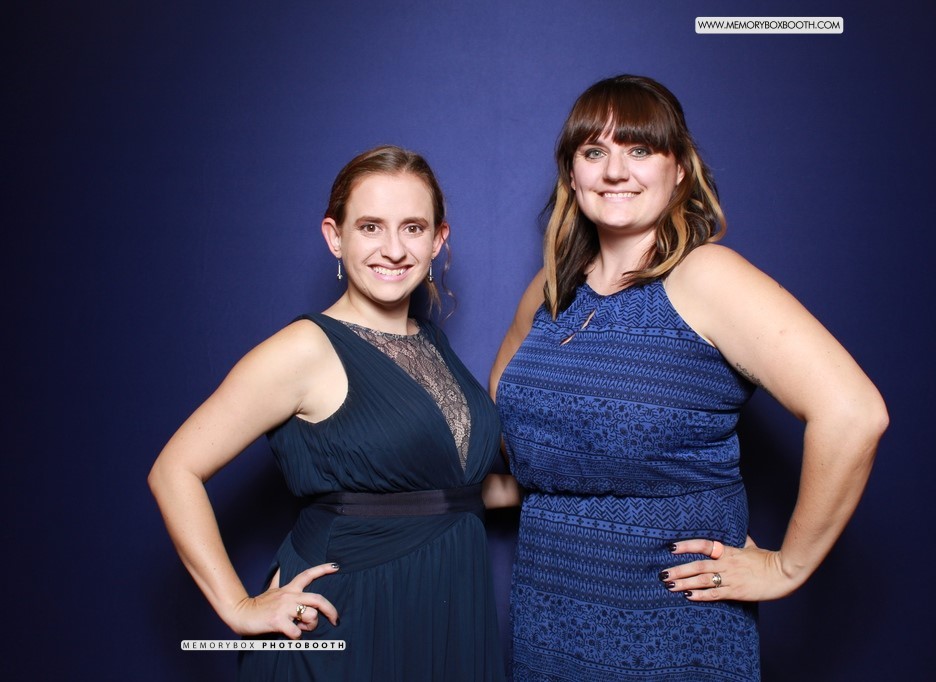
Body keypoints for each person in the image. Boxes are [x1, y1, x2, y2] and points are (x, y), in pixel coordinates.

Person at [490, 75, 889, 680]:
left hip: (670, 626)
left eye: (640, 149)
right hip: (548, 615)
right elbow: (507, 405)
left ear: (679, 169)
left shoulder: (706, 277)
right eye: (594, 152)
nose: (615, 171)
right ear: (572, 174)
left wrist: (787, 567)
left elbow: (854, 413)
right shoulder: (551, 291)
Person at [149, 145, 507, 681]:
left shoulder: (429, 341)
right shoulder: (304, 349)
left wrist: (586, 492)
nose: (393, 249)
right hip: (351, 617)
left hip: (445, 608)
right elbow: (174, 471)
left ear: (438, 240)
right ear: (335, 237)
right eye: (370, 227)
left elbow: (447, 490)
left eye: (412, 228)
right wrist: (238, 606)